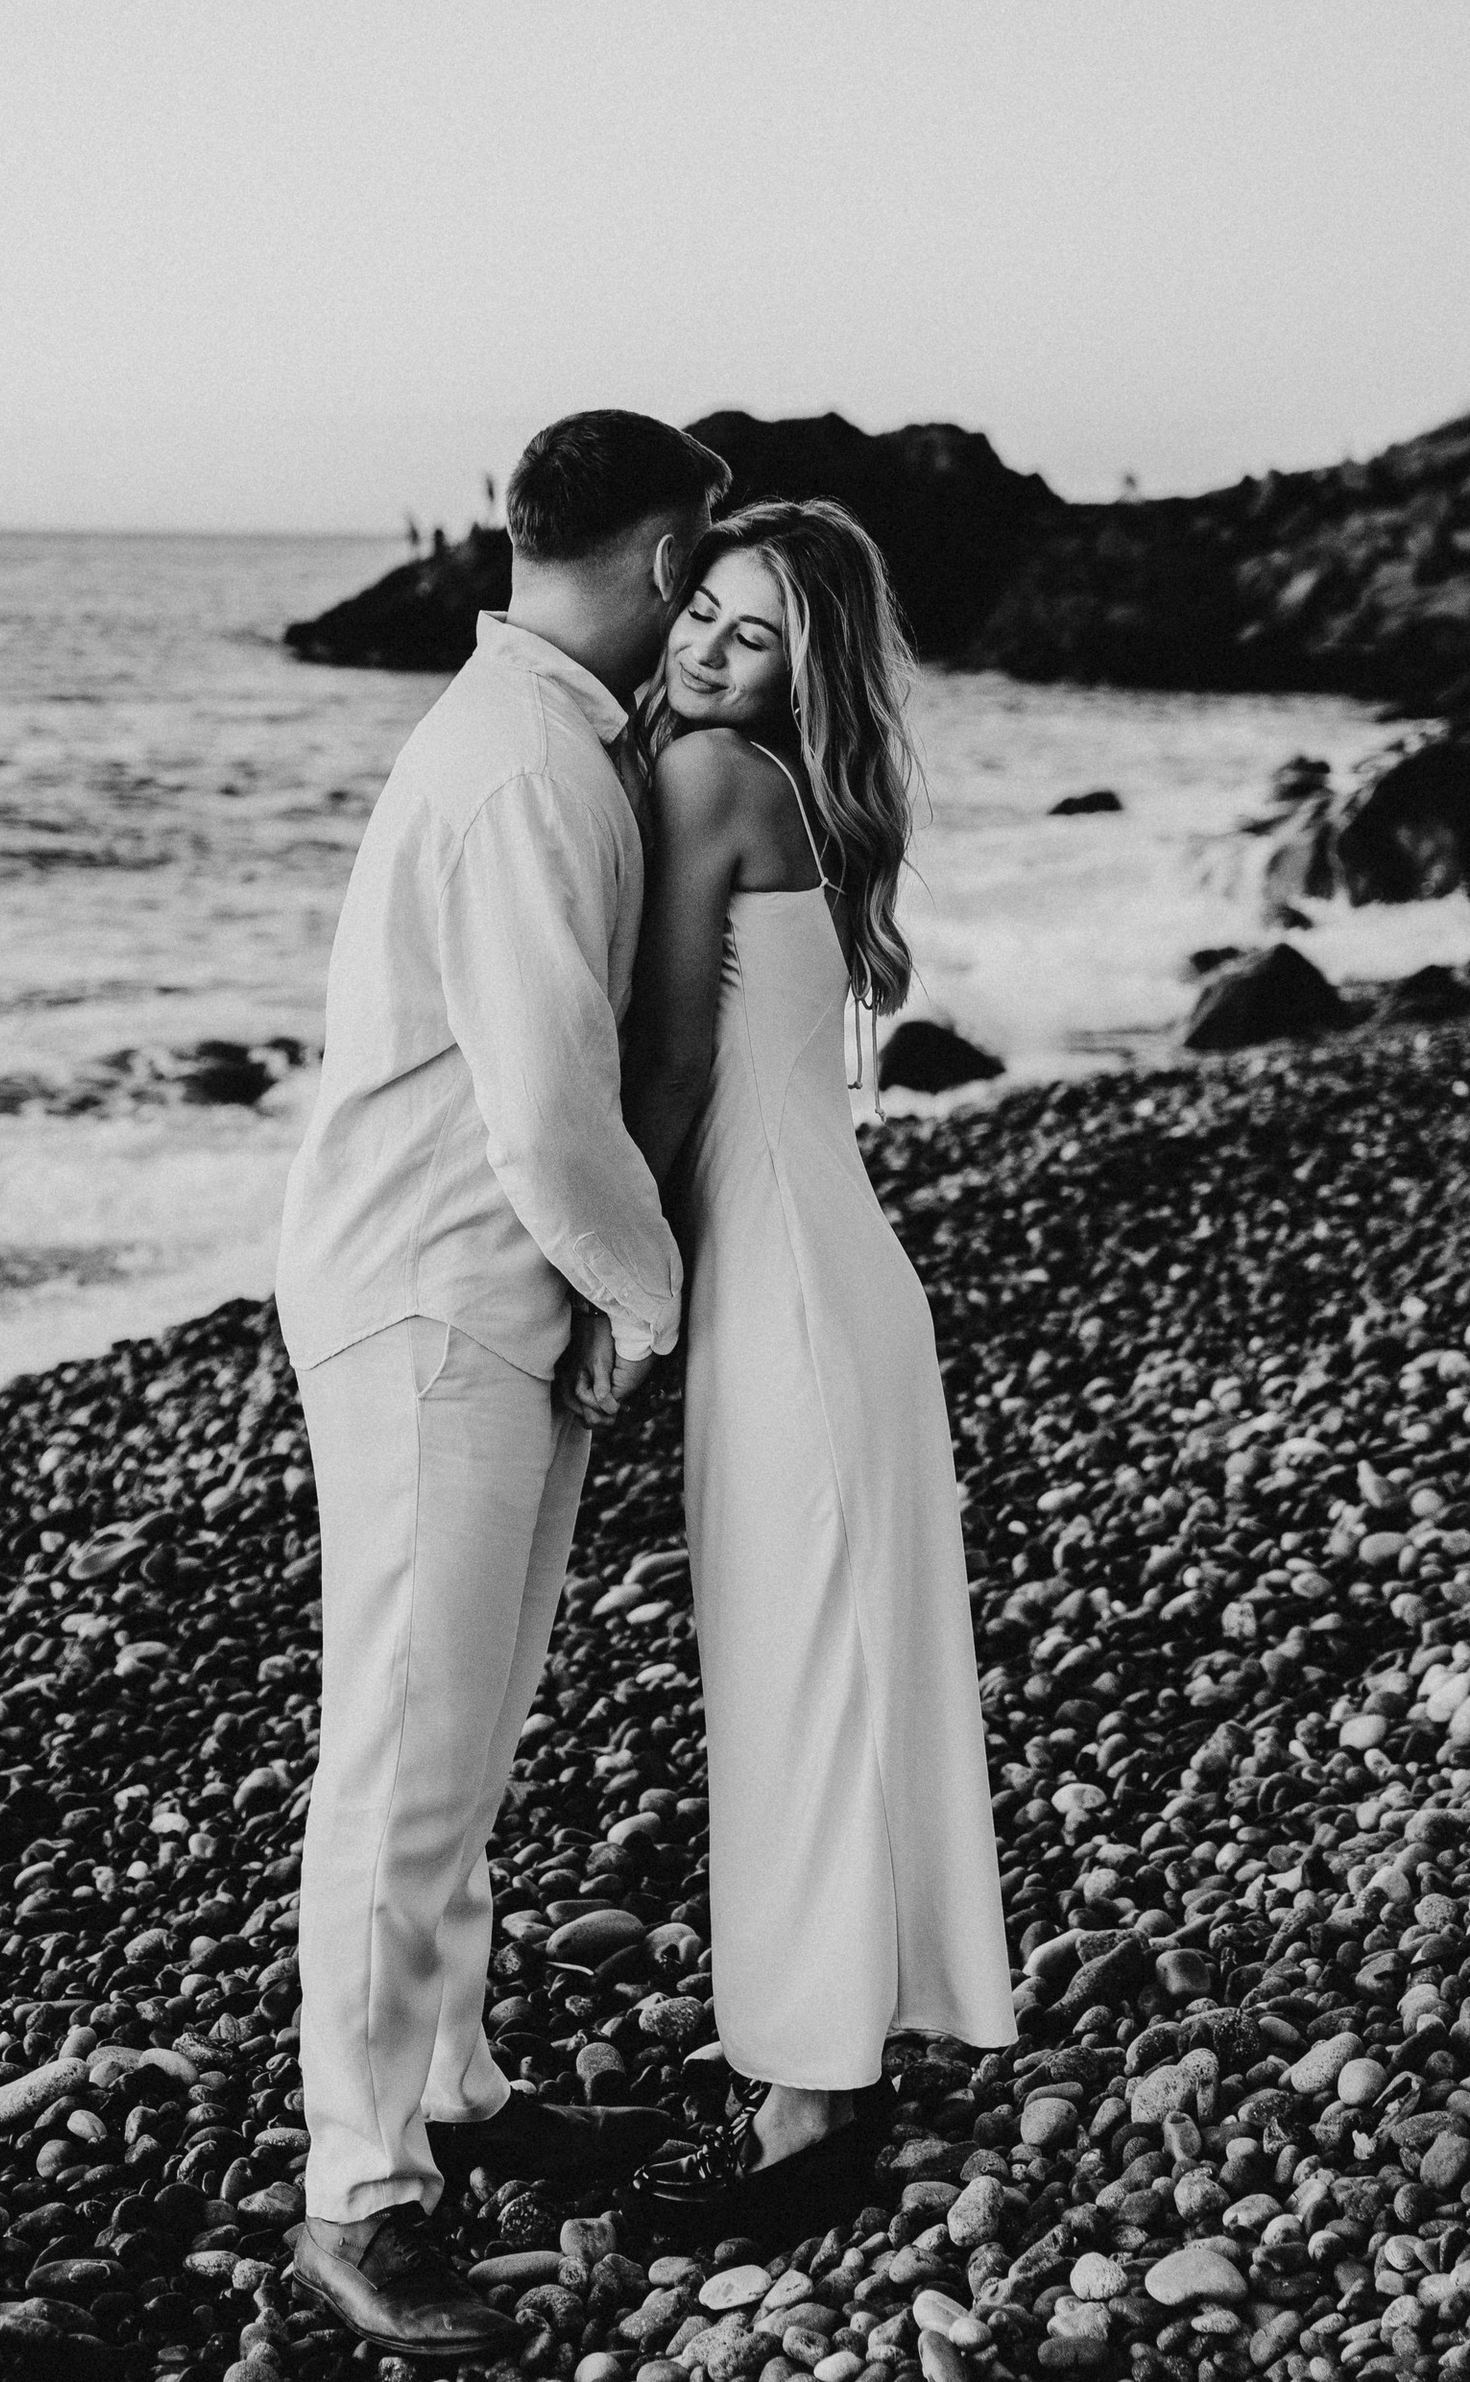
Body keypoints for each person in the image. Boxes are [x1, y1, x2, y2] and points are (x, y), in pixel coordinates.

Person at [275, 410, 732, 2354]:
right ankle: (360, 2189)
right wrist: (651, 1300)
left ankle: (453, 2083)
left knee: (463, 1728)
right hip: (428, 1301)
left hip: (478, 1290)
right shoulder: (528, 763)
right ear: (664, 559)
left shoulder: (536, 733)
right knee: (401, 1748)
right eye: (703, 563)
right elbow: (549, 1107)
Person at [612, 497, 1016, 2244]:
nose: (708, 647)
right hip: (826, 1280)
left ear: (805, 666)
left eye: (754, 632)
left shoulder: (714, 777)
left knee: (800, 1676)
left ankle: (814, 2103)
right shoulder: (789, 785)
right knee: (828, 1665)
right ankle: (833, 2048)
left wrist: (612, 1287)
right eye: (700, 608)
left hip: (786, 1293)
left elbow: (666, 1071)